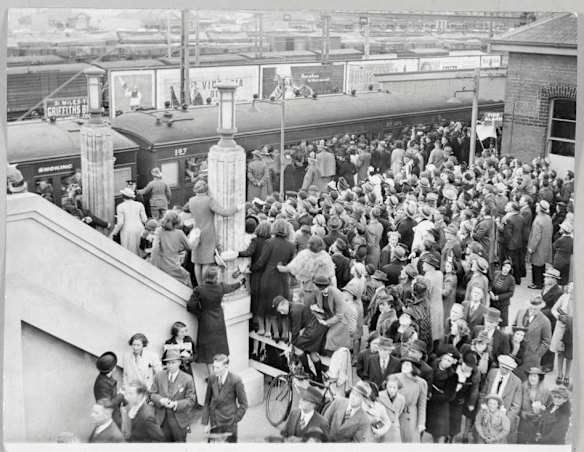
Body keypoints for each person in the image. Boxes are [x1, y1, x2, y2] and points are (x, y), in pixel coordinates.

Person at [186, 267, 245, 374]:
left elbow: (190, 305)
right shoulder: (220, 287)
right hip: (219, 321)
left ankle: (211, 376)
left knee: (208, 352)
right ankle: (219, 375)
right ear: (216, 277)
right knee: (219, 349)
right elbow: (232, 287)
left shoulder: (199, 289)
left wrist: (200, 313)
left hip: (206, 321)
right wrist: (241, 282)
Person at [188, 180, 244, 285]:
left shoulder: (191, 200)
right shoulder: (209, 200)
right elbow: (223, 212)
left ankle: (199, 285)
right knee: (206, 261)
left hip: (195, 232)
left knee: (197, 261)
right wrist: (237, 208)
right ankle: (205, 285)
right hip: (207, 233)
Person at [254, 219, 296, 341]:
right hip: (283, 277)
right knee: (282, 303)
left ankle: (271, 332)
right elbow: (290, 263)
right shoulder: (291, 245)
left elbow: (262, 261)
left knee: (266, 303)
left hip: (269, 276)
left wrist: (252, 268)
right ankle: (283, 334)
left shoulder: (269, 242)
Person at [274, 295, 328, 382]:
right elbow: (292, 329)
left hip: (312, 332)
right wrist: (291, 340)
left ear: (285, 304)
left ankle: (308, 373)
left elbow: (295, 330)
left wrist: (292, 343)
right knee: (312, 353)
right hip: (315, 330)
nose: (281, 313)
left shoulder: (294, 310)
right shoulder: (293, 308)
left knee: (296, 346)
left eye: (281, 310)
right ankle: (319, 378)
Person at [150, 349, 197, 442]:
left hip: (179, 421)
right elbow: (152, 394)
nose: (170, 365)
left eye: (173, 362)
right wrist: (160, 400)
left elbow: (191, 400)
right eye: (167, 363)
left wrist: (176, 404)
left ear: (179, 362)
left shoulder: (187, 379)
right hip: (162, 420)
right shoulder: (158, 376)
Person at [202, 354, 248, 443]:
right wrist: (205, 423)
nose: (214, 370)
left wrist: (234, 419)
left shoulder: (236, 380)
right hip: (214, 422)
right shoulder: (212, 377)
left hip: (229, 423)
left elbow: (244, 404)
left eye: (218, 368)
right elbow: (207, 402)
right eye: (214, 367)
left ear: (226, 367)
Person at [303, 275, 351, 356]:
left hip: (341, 319)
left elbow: (340, 315)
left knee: (330, 336)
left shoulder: (336, 294)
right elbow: (322, 306)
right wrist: (317, 309)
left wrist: (326, 323)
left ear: (320, 287)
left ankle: (333, 355)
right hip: (329, 316)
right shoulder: (318, 292)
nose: (313, 286)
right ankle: (321, 351)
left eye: (315, 285)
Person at [478, 355, 522, 443]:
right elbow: (483, 393)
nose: (504, 371)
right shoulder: (492, 373)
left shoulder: (517, 382)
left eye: (507, 369)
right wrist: (482, 409)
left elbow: (516, 406)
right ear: (499, 364)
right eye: (503, 367)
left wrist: (504, 421)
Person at [512, 295, 552, 380]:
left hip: (531, 357)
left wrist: (537, 354)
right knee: (514, 377)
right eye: (531, 308)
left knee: (526, 379)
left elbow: (547, 341)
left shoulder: (545, 321)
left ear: (540, 308)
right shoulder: (520, 312)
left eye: (535, 309)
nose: (532, 310)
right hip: (517, 353)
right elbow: (514, 326)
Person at [426, 344, 460, 443]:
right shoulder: (433, 365)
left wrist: (432, 397)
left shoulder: (452, 375)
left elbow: (450, 396)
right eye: (445, 359)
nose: (445, 362)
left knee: (441, 432)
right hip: (430, 404)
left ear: (453, 362)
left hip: (441, 406)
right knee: (432, 431)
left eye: (449, 361)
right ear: (441, 357)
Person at [149, 210, 192, 286]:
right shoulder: (180, 233)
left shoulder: (159, 231)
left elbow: (155, 248)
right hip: (173, 265)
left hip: (160, 264)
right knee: (187, 276)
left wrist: (152, 264)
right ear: (176, 222)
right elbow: (189, 247)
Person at [449, 349, 481, 443]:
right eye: (467, 366)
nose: (468, 368)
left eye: (471, 367)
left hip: (467, 393)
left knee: (470, 413)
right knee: (454, 417)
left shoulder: (475, 372)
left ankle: (465, 435)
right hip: (454, 394)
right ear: (462, 362)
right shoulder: (454, 368)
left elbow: (474, 389)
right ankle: (451, 436)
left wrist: (471, 403)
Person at [395, 355, 428, 442]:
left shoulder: (421, 383)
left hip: (411, 414)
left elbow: (422, 404)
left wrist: (421, 422)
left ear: (413, 368)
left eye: (407, 365)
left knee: (410, 440)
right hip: (396, 412)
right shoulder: (395, 378)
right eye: (403, 364)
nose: (404, 366)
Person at [109, 187, 147, 255]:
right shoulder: (139, 205)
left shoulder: (120, 206)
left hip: (127, 230)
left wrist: (113, 233)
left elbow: (120, 223)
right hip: (140, 228)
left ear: (123, 196)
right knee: (141, 251)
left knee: (130, 253)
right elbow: (145, 220)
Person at [517, 367, 549, 444]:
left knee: (533, 441)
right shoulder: (523, 386)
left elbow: (549, 405)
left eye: (535, 376)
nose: (532, 378)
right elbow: (517, 402)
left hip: (538, 421)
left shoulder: (545, 389)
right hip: (524, 418)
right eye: (530, 376)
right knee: (522, 440)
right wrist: (523, 413)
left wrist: (542, 409)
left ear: (539, 378)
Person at [550, 281, 573, 386]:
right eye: (570, 286)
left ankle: (567, 375)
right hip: (561, 327)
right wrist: (559, 317)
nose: (571, 288)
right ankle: (559, 374)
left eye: (574, 287)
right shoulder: (564, 297)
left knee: (569, 354)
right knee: (560, 351)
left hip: (572, 330)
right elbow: (554, 309)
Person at [93, 351, 124, 430]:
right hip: (109, 420)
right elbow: (106, 405)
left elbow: (111, 395)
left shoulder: (107, 377)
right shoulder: (102, 384)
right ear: (113, 368)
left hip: (114, 416)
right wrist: (120, 396)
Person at [526, 200, 553, 290]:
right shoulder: (548, 218)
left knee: (536, 265)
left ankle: (537, 283)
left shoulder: (538, 220)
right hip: (545, 244)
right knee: (542, 264)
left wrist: (531, 247)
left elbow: (536, 236)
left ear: (540, 209)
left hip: (538, 246)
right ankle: (541, 281)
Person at [374, 374, 405, 442]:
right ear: (386, 385)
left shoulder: (401, 399)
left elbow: (399, 412)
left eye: (394, 387)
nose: (392, 390)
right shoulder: (379, 396)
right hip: (383, 429)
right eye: (389, 387)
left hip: (395, 430)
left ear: (398, 387)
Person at [488, 259, 516, 327]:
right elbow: (490, 284)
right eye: (505, 266)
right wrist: (490, 292)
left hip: (503, 304)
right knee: (491, 322)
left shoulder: (511, 279)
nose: (505, 269)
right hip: (493, 302)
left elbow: (510, 293)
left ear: (510, 269)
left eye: (508, 267)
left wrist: (499, 297)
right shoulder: (496, 273)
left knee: (502, 324)